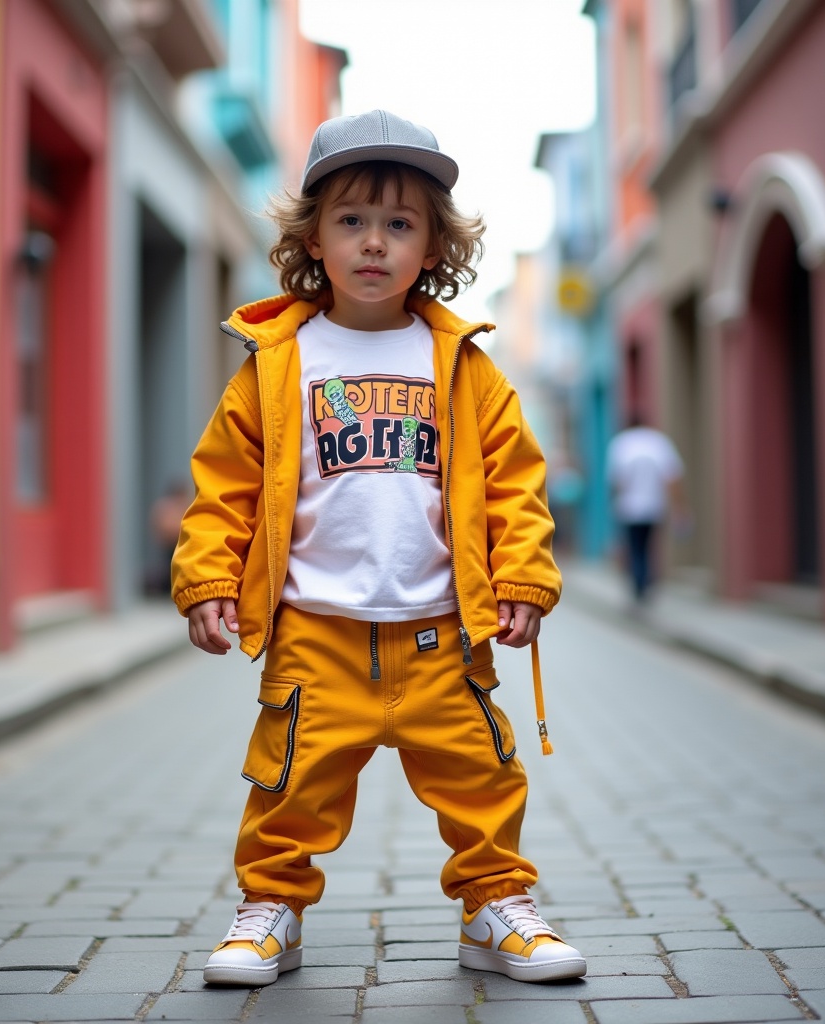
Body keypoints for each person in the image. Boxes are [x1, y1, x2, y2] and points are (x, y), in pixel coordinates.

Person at [171, 109, 586, 988]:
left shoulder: (463, 365)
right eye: (351, 221)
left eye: (400, 224)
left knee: (483, 779)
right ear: (312, 239)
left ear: (434, 247)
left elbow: (516, 482)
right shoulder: (279, 362)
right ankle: (270, 909)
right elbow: (226, 484)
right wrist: (208, 574)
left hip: (443, 629)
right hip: (315, 631)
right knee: (288, 786)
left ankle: (495, 906)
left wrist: (521, 574)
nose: (373, 242)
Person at [606, 413, 687, 603]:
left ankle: (638, 586)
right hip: (653, 506)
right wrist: (679, 506)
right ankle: (645, 583)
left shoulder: (621, 444)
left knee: (635, 548)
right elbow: (672, 477)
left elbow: (616, 480)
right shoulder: (658, 442)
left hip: (629, 508)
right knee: (649, 546)